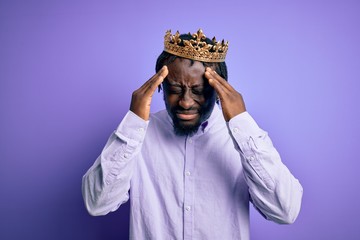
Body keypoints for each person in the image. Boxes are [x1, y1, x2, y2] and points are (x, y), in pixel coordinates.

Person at [82, 29, 303, 240]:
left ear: (218, 91)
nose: (186, 102)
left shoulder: (244, 139)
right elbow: (96, 203)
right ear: (161, 87)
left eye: (198, 91)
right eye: (176, 90)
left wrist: (242, 123)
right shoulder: (139, 135)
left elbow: (285, 211)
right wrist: (133, 122)